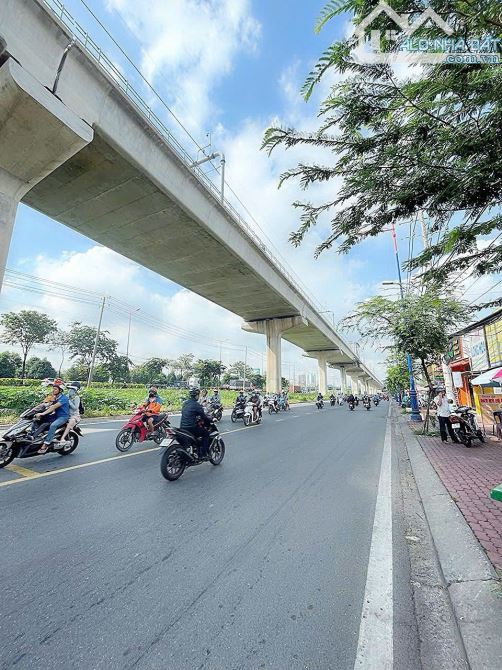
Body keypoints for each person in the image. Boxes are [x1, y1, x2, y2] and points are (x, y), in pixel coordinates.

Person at [35, 383, 70, 453]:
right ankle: (35, 434)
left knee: (53, 425)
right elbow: (45, 403)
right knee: (37, 419)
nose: (53, 390)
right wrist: (35, 409)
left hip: (63, 417)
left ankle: (46, 444)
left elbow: (54, 407)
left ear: (60, 390)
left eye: (55, 389)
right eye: (53, 389)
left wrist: (43, 413)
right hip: (55, 415)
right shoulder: (53, 397)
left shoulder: (64, 398)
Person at [180, 387, 211, 457]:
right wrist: (209, 422)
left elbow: (185, 413)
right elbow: (204, 417)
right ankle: (203, 453)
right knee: (206, 433)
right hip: (191, 428)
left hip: (182, 428)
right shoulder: (197, 405)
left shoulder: (185, 403)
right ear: (197, 395)